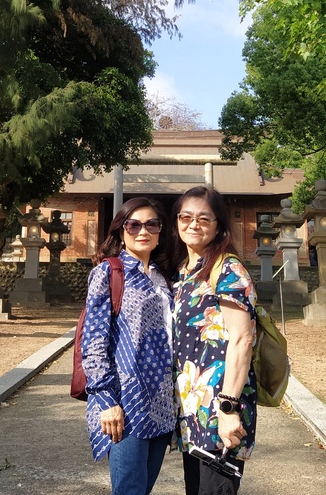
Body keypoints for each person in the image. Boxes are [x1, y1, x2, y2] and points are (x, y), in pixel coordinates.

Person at [81, 197, 177, 495]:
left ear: (160, 231)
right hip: (126, 402)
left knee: (142, 489)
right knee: (129, 490)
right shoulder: (109, 273)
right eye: (134, 225)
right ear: (121, 231)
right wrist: (105, 400)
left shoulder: (164, 278)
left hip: (162, 403)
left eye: (152, 224)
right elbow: (93, 341)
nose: (143, 231)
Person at [172, 185, 257, 495]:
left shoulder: (228, 269)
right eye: (186, 217)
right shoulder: (184, 273)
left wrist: (229, 408)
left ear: (219, 225)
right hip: (192, 411)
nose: (193, 224)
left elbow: (242, 340)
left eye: (204, 218)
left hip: (221, 409)